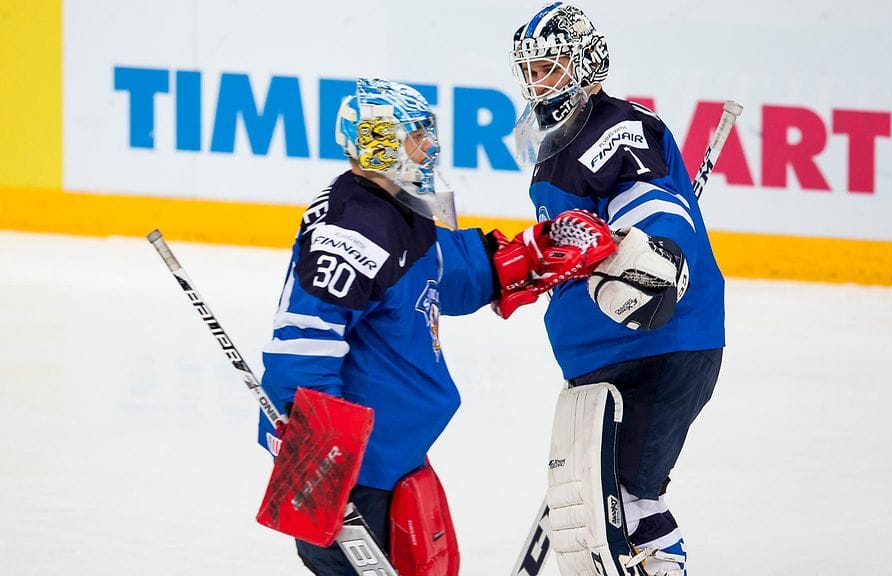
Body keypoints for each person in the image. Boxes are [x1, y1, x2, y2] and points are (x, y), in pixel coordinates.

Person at [256, 77, 613, 576]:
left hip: (393, 451)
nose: (430, 146)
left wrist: (520, 259)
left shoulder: (392, 209)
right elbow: (305, 340)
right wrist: (318, 456)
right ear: (379, 142)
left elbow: (441, 272)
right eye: (416, 135)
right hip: (353, 467)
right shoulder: (351, 230)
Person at [502, 3, 727, 575]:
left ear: (585, 63)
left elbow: (652, 205)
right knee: (602, 510)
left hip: (659, 343)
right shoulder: (555, 144)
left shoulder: (621, 129)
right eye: (530, 70)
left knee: (630, 499)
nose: (537, 82)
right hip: (601, 345)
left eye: (549, 67)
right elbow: (571, 242)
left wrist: (658, 251)